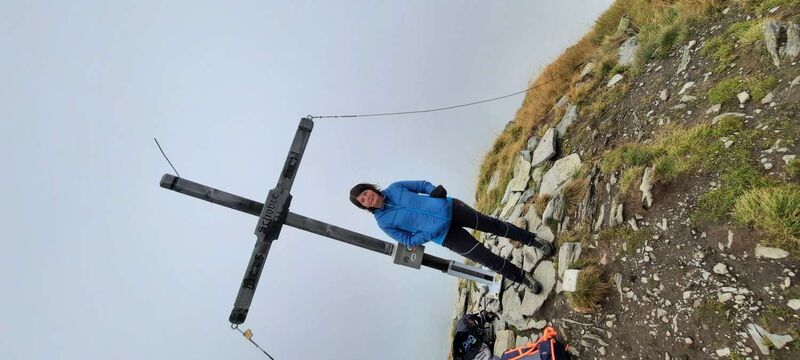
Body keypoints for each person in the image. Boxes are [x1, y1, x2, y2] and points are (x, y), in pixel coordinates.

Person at [349, 180, 554, 293]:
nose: (368, 198)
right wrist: (428, 233)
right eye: (363, 200)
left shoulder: (395, 188)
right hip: (445, 235)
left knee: (494, 226)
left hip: (451, 207)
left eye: (366, 193)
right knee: (484, 257)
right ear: (363, 206)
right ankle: (521, 277)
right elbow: (407, 240)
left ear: (370, 188)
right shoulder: (383, 222)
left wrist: (434, 191)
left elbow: (421, 185)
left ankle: (532, 240)